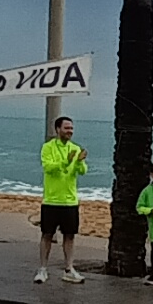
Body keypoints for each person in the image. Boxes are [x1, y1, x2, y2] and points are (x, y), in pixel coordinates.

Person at [36, 115, 87, 284]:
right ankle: (43, 269)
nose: (70, 131)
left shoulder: (75, 148)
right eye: (66, 128)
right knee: (47, 235)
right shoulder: (48, 147)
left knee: (69, 236)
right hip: (51, 200)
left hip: (70, 201)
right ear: (58, 129)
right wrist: (66, 162)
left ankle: (69, 269)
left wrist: (79, 162)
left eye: (71, 128)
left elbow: (82, 171)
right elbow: (48, 167)